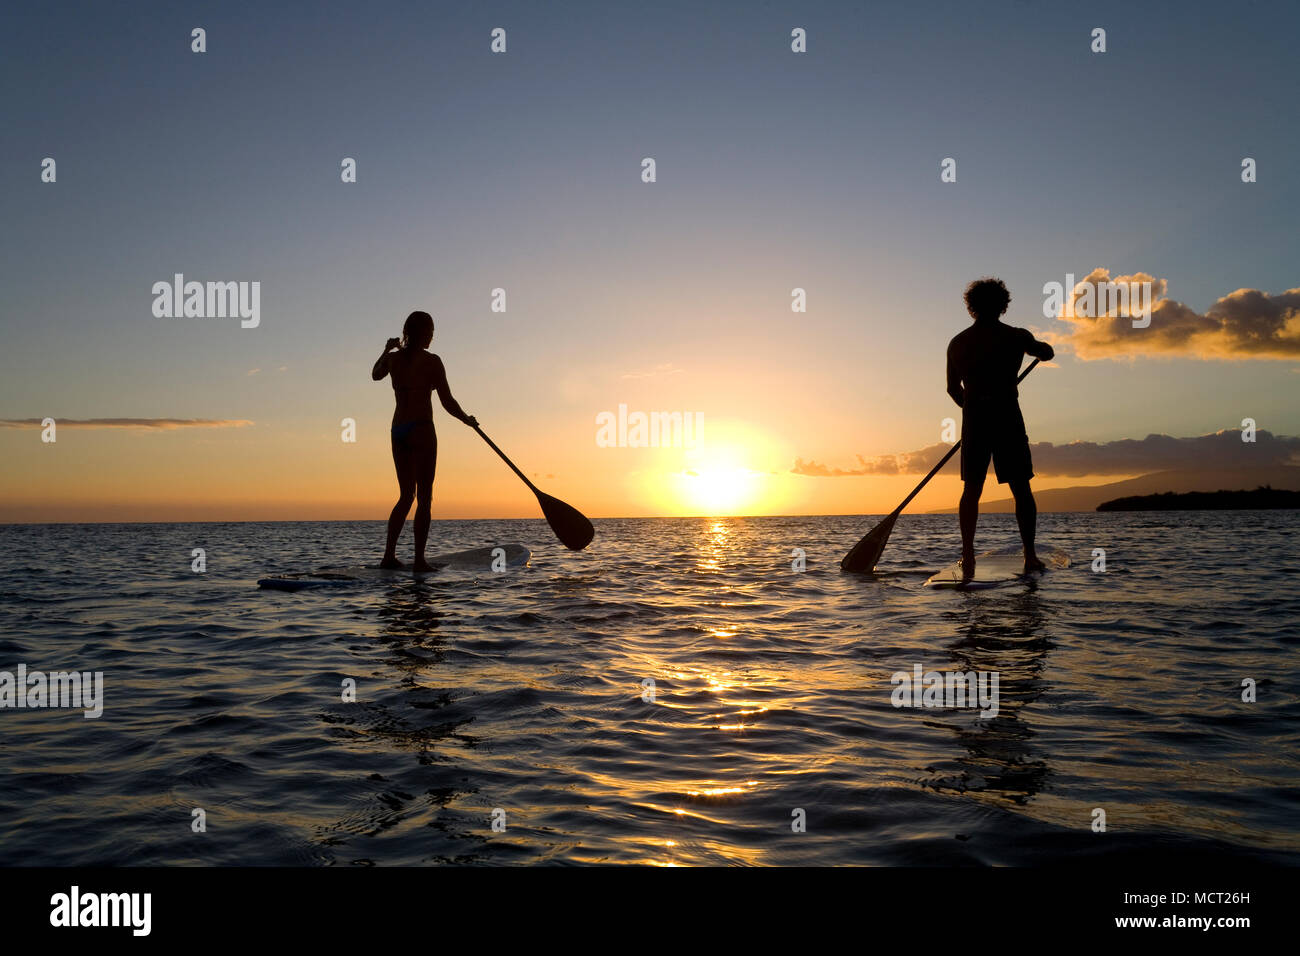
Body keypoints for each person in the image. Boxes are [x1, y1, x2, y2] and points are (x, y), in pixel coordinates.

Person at [946, 278, 1054, 579]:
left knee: (972, 489)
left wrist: (972, 408)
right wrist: (1044, 350)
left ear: (972, 307)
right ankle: (1029, 555)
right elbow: (1046, 352)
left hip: (976, 419)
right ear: (1003, 305)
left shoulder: (957, 343)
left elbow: (952, 389)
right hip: (1007, 417)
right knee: (1021, 486)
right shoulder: (1017, 336)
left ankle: (968, 556)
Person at [371, 311, 477, 570]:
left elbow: (375, 374)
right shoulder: (432, 361)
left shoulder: (393, 360)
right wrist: (466, 419)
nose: (432, 336)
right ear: (422, 333)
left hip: (398, 431)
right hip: (421, 429)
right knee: (425, 497)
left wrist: (386, 350)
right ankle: (419, 560)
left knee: (406, 495)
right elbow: (447, 401)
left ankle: (388, 557)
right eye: (430, 332)